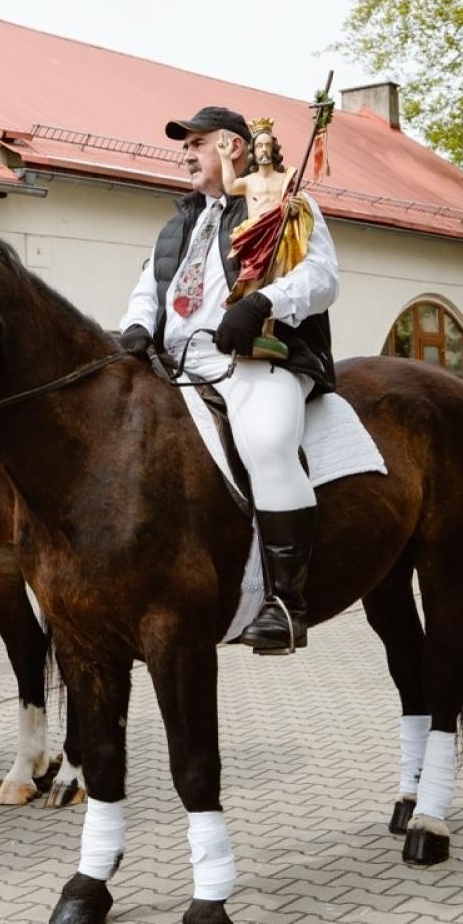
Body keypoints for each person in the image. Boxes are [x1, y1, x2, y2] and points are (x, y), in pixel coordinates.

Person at [117, 106, 339, 654]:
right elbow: (149, 287)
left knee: (267, 440)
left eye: (197, 143)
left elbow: (321, 277)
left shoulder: (286, 200)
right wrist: (136, 327)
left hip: (254, 358)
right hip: (177, 366)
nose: (186, 155)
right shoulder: (178, 223)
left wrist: (263, 303)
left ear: (233, 147)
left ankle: (286, 605)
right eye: (184, 146)